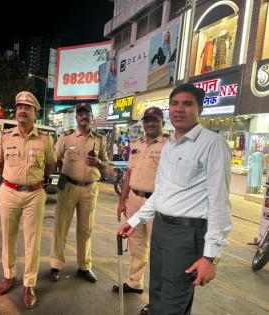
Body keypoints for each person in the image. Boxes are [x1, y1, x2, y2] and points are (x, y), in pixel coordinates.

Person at [117, 83, 232, 315]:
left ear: (199, 108)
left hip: (186, 236)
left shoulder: (212, 144)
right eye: (174, 104)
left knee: (173, 301)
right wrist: (136, 220)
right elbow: (161, 193)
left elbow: (219, 202)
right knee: (157, 293)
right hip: (160, 228)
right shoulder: (170, 146)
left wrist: (211, 256)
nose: (179, 109)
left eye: (187, 104)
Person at [0, 91, 56, 309]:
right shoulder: (5, 137)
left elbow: (50, 165)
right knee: (8, 237)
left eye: (27, 107)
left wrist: (33, 181)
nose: (22, 110)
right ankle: (9, 276)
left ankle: (29, 284)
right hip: (9, 191)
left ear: (35, 113)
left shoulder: (46, 140)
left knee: (33, 240)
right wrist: (13, 180)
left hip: (34, 194)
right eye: (19, 106)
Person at [49, 103, 108, 283]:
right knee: (61, 227)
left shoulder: (99, 139)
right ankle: (55, 265)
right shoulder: (66, 137)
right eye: (80, 113)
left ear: (92, 117)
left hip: (90, 188)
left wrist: (98, 162)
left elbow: (106, 164)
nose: (84, 116)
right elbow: (54, 160)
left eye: (87, 113)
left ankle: (84, 266)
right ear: (76, 118)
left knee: (86, 230)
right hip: (68, 187)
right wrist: (53, 184)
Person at [112, 107, 166, 295]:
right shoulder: (136, 144)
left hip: (156, 204)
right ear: (143, 123)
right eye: (147, 120)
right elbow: (128, 174)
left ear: (162, 123)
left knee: (158, 250)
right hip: (134, 200)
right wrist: (122, 202)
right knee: (136, 244)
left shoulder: (169, 145)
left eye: (155, 120)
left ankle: (159, 297)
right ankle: (135, 282)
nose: (150, 123)